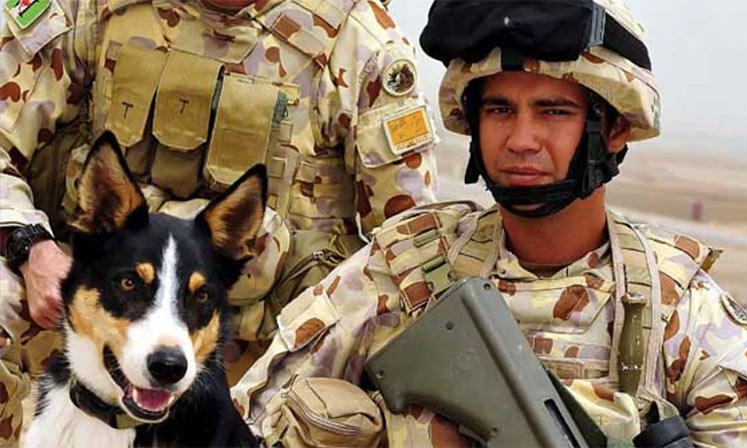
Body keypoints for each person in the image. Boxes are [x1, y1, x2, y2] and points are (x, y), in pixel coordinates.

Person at [231, 0, 747, 446]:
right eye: (499, 110)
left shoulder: (676, 310)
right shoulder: (403, 270)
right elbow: (246, 421)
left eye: (554, 111)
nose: (521, 140)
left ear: (616, 130)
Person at [0, 0, 438, 443]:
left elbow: (412, 242)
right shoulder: (93, 8)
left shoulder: (358, 42)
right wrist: (31, 248)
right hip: (97, 316)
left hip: (273, 358)